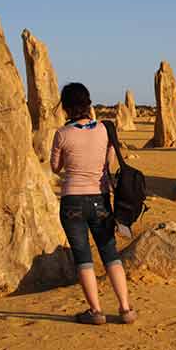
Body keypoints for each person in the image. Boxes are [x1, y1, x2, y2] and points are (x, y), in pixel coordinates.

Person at [50, 82, 136, 325]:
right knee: (110, 254)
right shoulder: (104, 130)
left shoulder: (62, 134)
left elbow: (55, 167)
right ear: (88, 103)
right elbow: (108, 162)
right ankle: (126, 308)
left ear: (65, 107)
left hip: (72, 201)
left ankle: (96, 312)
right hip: (100, 199)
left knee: (83, 257)